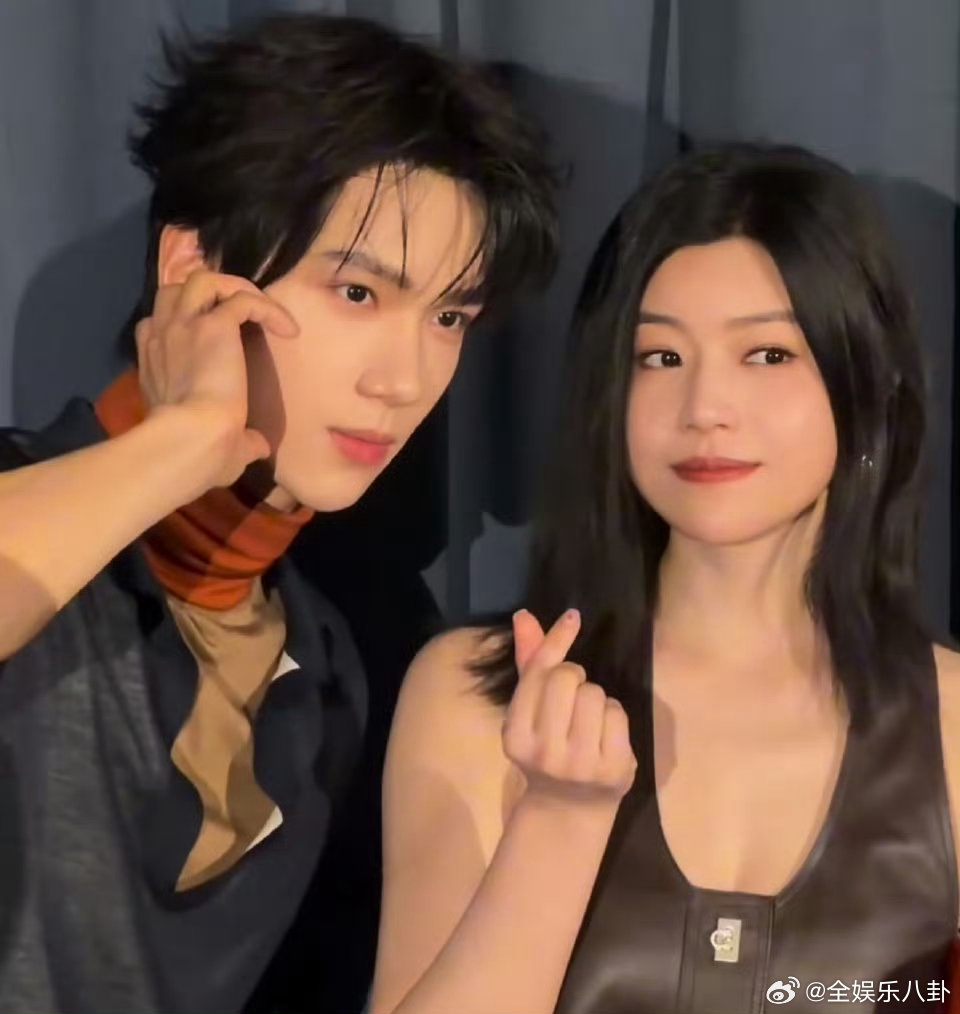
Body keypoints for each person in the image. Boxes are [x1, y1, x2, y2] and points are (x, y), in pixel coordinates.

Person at [0, 13, 557, 1013]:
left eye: (448, 317)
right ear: (192, 269)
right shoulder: (28, 503)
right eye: (357, 293)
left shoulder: (332, 667)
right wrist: (185, 439)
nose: (404, 379)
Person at [371, 143, 960, 1014]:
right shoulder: (474, 695)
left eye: (768, 355)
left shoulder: (950, 723)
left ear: (866, 390)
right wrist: (558, 817)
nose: (705, 409)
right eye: (661, 358)